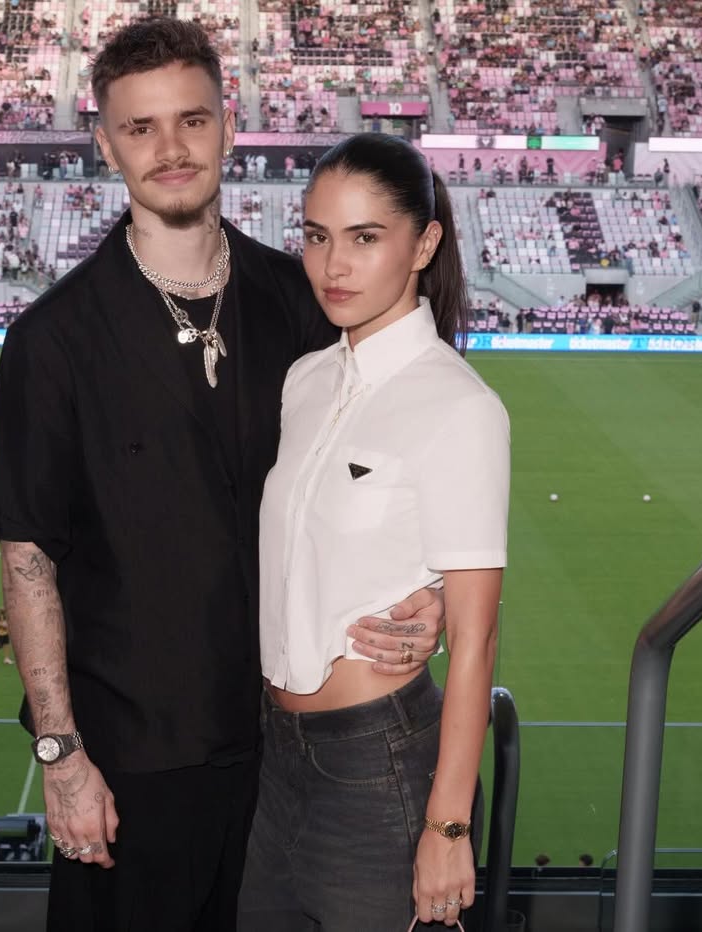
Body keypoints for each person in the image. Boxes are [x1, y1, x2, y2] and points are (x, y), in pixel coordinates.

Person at [0, 20, 445, 932]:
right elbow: (28, 559)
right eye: (141, 127)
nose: (171, 148)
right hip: (131, 765)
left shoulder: (303, 302)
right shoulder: (54, 341)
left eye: (191, 119)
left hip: (295, 747)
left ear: (228, 125)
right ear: (106, 142)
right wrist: (62, 758)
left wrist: (427, 589)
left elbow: (398, 464)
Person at [239, 135, 509, 931]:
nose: (333, 265)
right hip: (277, 758)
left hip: (381, 764)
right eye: (318, 236)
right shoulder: (306, 378)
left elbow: (476, 638)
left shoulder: (459, 407)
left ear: (424, 243)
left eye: (364, 238)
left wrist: (447, 827)